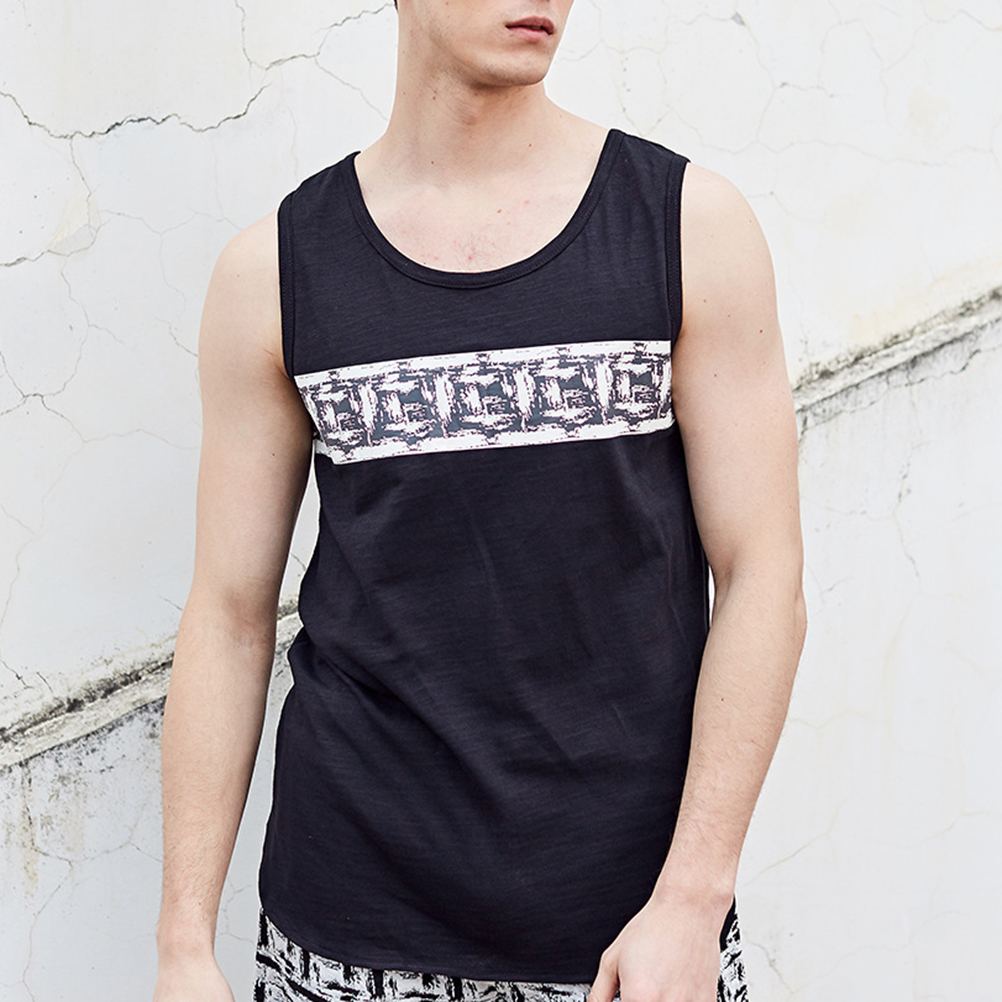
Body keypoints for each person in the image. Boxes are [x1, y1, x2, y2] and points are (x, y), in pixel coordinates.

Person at [153, 2, 806, 1000]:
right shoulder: (276, 273)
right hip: (345, 939)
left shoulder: (684, 227)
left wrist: (692, 898)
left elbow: (764, 576)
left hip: (625, 943)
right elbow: (230, 615)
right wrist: (183, 944)